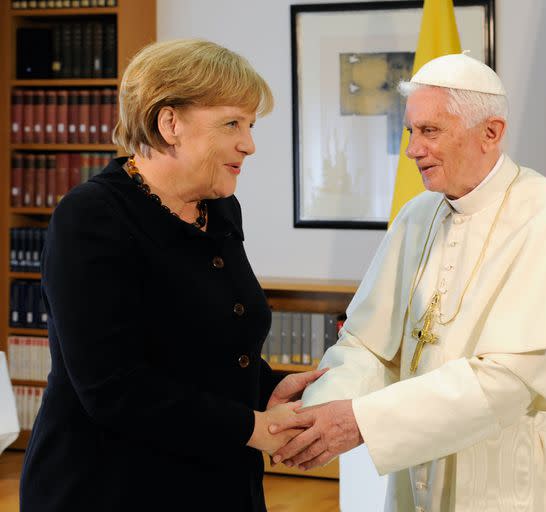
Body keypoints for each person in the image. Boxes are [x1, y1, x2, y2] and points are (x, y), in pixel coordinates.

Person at [268, 53, 546, 511]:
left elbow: (508, 382)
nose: (412, 149)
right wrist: (315, 415)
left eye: (430, 131)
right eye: (410, 131)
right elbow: (368, 345)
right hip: (419, 473)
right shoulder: (417, 215)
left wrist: (363, 421)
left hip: (515, 484)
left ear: (491, 133)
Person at [19, 39, 322, 512]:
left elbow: (206, 343)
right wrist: (251, 427)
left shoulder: (220, 209)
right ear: (170, 123)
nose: (249, 144)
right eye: (232, 124)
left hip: (219, 481)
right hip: (109, 488)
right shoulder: (91, 217)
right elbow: (113, 386)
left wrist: (266, 389)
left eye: (250, 124)